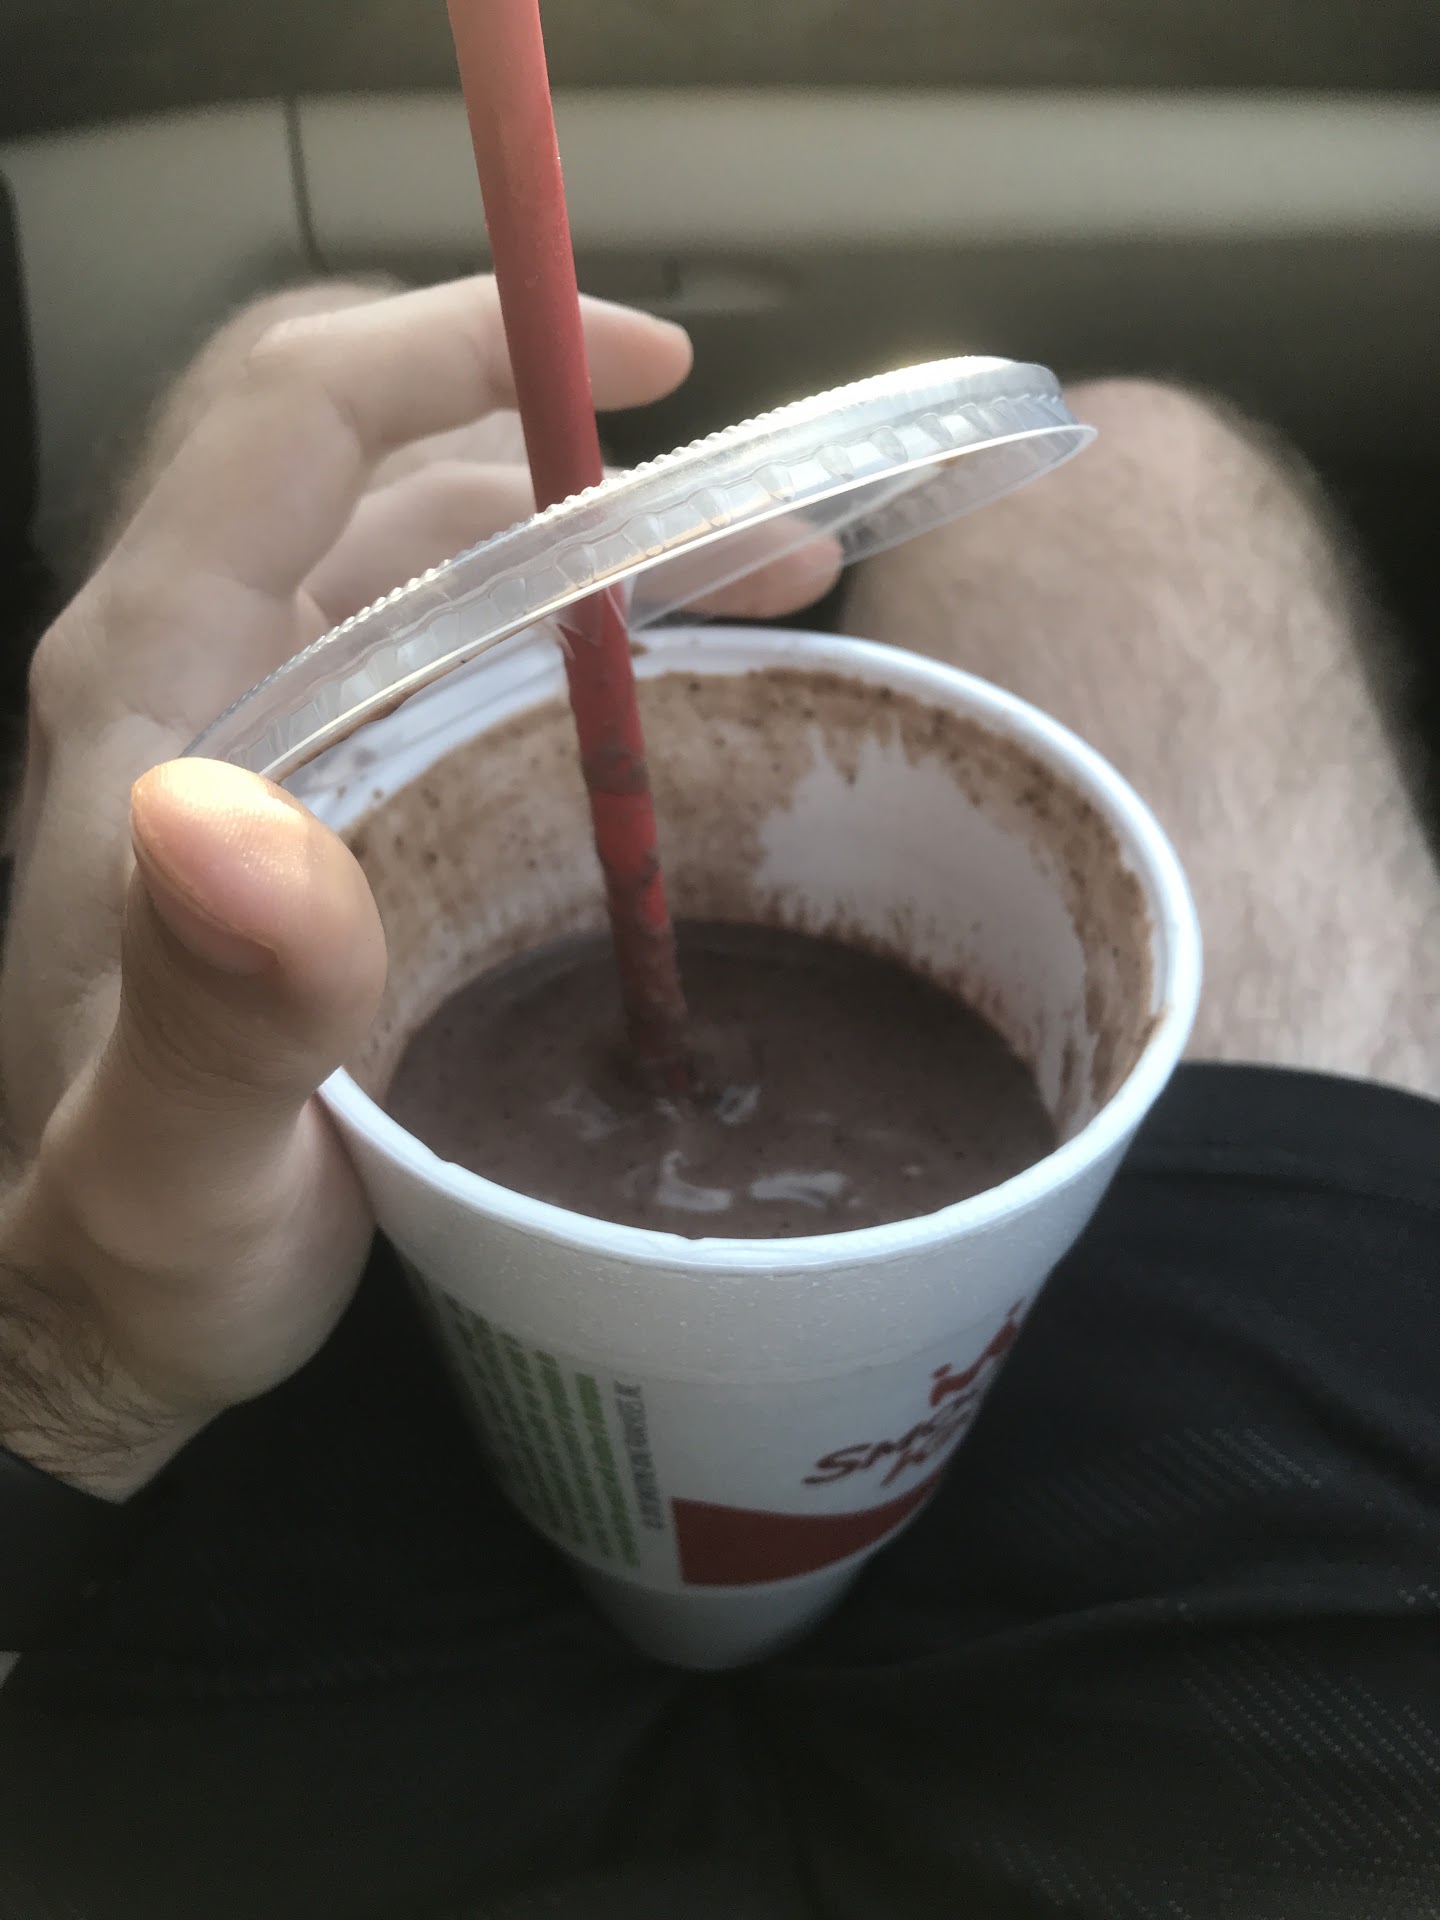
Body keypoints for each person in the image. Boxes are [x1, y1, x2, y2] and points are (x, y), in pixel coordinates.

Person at [0, 276, 1435, 1919]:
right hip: (1287, 1679)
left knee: (342, 365)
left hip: (219, 1700)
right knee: (1149, 476)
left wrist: (66, 1361)